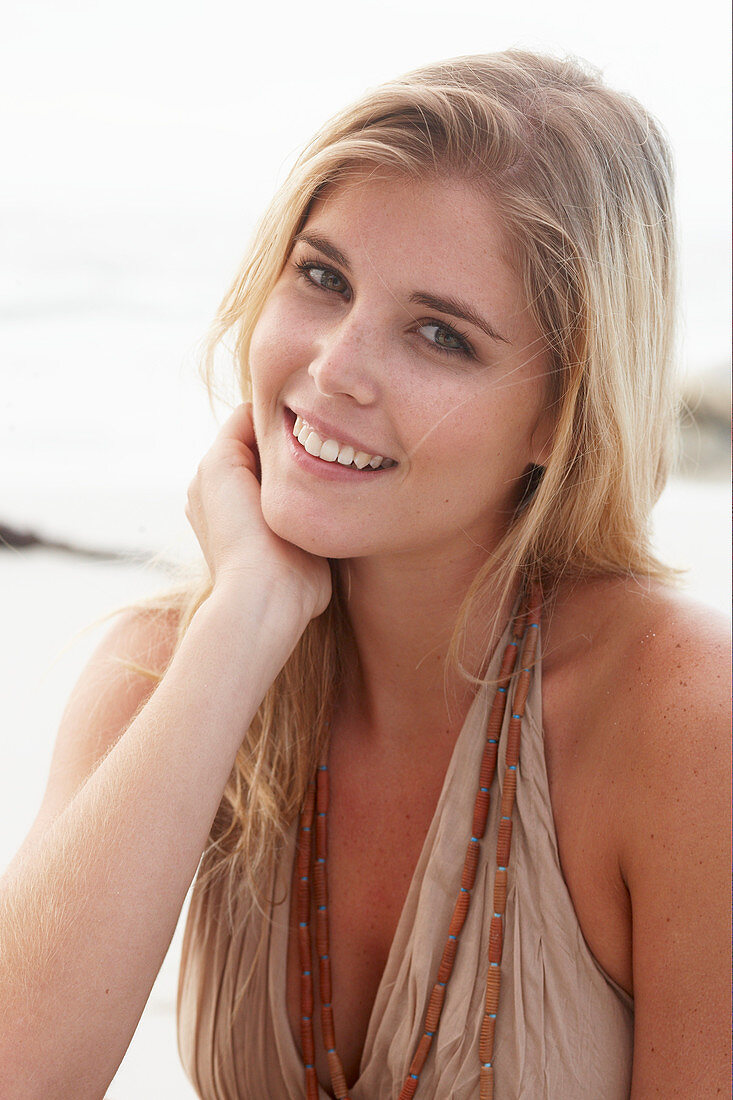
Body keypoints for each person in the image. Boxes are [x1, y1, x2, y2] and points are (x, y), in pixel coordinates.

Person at [0, 50, 729, 1100]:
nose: (334, 367)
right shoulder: (164, 673)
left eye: (439, 334)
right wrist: (244, 618)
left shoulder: (682, 716)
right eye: (323, 277)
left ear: (556, 416)